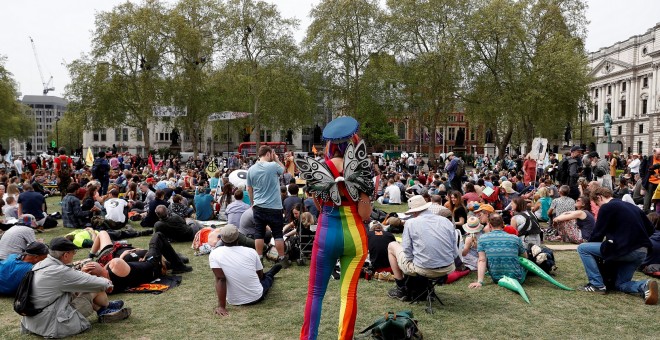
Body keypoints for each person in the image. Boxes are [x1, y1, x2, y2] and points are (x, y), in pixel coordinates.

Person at [299, 117, 373, 340]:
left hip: (326, 233)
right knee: (348, 295)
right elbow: (365, 214)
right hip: (355, 236)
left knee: (315, 294)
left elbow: (320, 206)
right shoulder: (361, 171)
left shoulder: (319, 170)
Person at [21, 237, 131, 338]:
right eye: (74, 252)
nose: (74, 254)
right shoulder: (59, 271)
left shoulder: (40, 265)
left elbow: (71, 280)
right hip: (51, 325)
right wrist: (108, 283)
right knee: (94, 287)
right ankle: (106, 307)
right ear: (65, 255)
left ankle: (103, 310)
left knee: (79, 288)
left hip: (33, 321)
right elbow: (93, 282)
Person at [577, 187, 657, 305]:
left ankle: (596, 284)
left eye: (597, 204)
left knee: (583, 248)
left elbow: (598, 233)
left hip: (625, 249)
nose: (599, 206)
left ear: (599, 197)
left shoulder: (607, 207)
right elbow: (650, 229)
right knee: (620, 284)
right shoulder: (633, 207)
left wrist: (593, 245)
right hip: (642, 251)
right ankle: (644, 285)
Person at [386, 195, 457, 299]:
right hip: (448, 267)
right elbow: (454, 249)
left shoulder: (411, 223)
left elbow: (407, 250)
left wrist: (411, 260)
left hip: (424, 269)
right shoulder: (446, 221)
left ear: (414, 212)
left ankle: (400, 288)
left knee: (392, 246)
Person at [82, 232, 192, 293]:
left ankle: (175, 261)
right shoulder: (115, 264)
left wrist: (86, 273)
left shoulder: (109, 280)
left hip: (147, 268)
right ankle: (178, 265)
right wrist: (123, 255)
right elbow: (115, 262)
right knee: (158, 236)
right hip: (151, 266)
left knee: (167, 256)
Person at [209, 225, 282, 316]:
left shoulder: (214, 254)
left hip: (233, 300)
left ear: (222, 239)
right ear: (238, 238)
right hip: (256, 296)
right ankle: (271, 273)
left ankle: (270, 273)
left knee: (220, 277)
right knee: (267, 280)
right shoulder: (251, 251)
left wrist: (221, 306)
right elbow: (259, 276)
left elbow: (220, 279)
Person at [247, 145, 287, 263]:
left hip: (258, 206)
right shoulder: (273, 166)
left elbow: (249, 188)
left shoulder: (251, 169)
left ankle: (259, 257)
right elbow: (283, 169)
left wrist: (252, 202)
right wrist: (276, 159)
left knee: (259, 232)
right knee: (277, 233)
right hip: (274, 206)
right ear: (268, 154)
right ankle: (281, 258)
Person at [469, 213, 528, 288]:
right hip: (517, 278)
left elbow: (482, 260)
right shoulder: (515, 238)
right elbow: (525, 257)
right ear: (503, 224)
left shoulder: (482, 238)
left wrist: (480, 282)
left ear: (490, 225)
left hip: (497, 278)